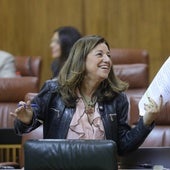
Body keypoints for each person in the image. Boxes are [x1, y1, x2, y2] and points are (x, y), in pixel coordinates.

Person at [10, 35, 163, 156]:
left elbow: (122, 147)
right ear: (81, 59)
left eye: (108, 55)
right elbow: (21, 127)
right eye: (100, 54)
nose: (107, 60)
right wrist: (26, 119)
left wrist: (146, 122)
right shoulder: (54, 91)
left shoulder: (117, 98)